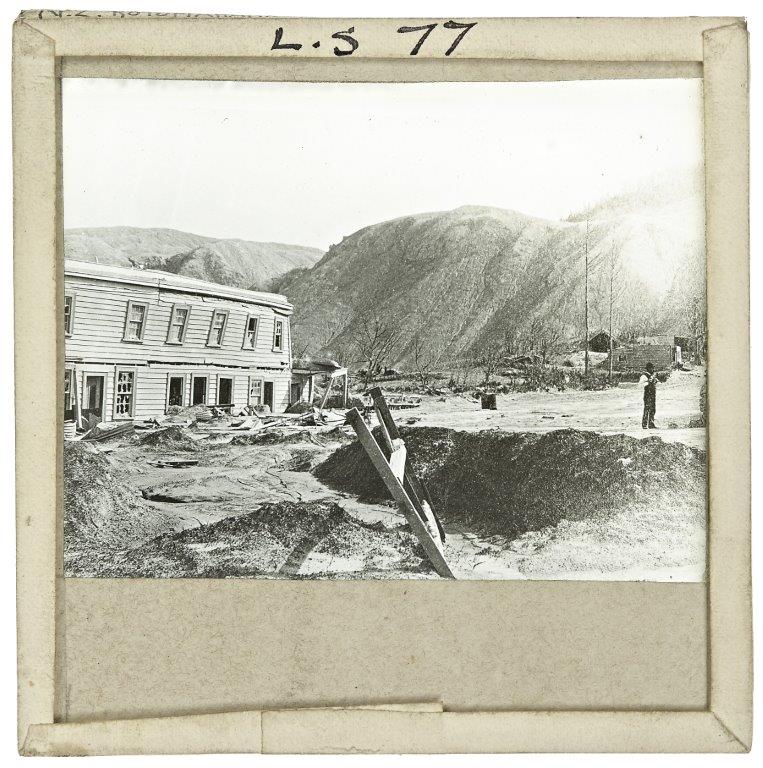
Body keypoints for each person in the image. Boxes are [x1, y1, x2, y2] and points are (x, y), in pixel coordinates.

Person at [639, 362, 658, 429]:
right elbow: (640, 385)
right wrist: (648, 382)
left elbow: (656, 383)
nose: (653, 369)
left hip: (652, 395)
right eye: (652, 368)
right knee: (647, 409)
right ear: (648, 369)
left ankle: (651, 424)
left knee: (653, 409)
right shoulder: (644, 376)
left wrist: (654, 381)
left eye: (653, 368)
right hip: (647, 395)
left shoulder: (652, 375)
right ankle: (644, 424)